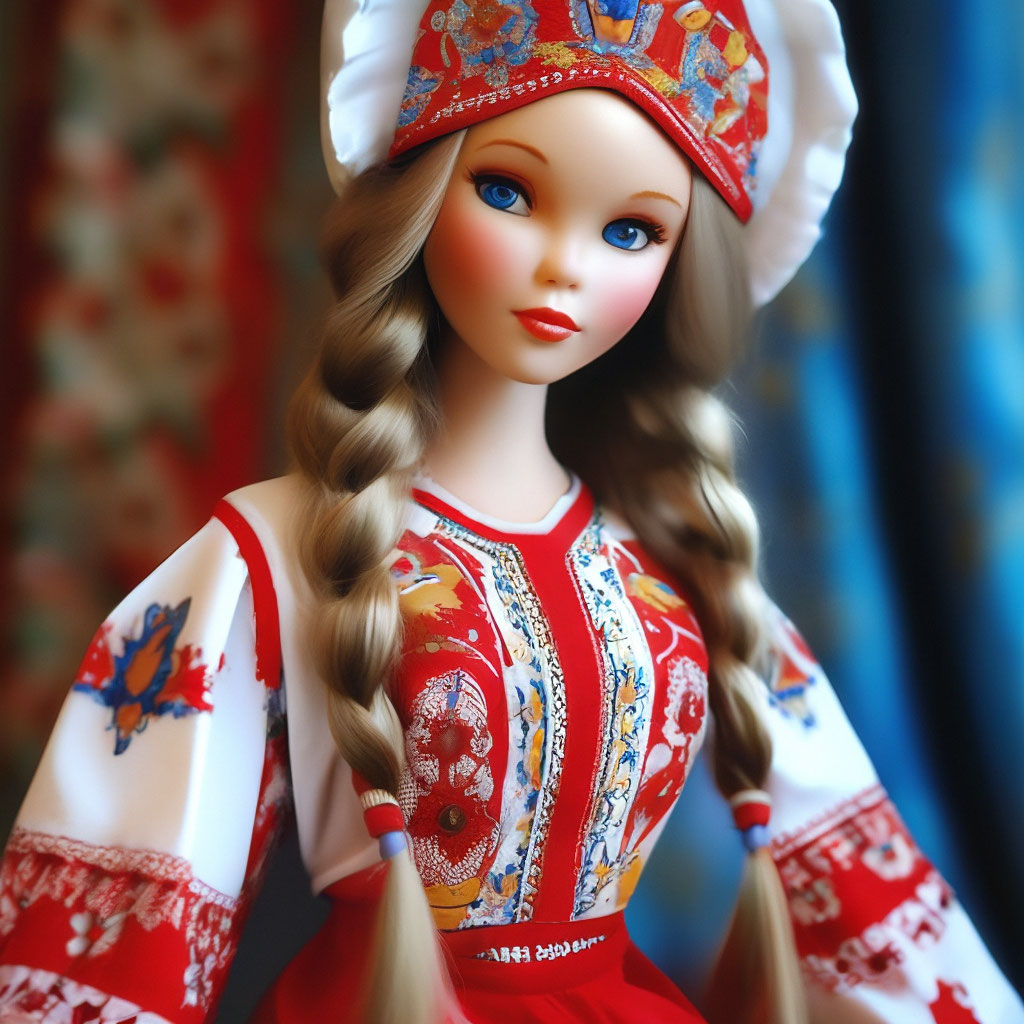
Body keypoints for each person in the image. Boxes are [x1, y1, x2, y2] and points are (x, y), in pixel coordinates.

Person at [0, 0, 1021, 1022]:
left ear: (676, 265)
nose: (563, 266)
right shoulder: (274, 556)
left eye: (631, 230)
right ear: (420, 199)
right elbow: (116, 925)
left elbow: (869, 898)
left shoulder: (679, 567)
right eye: (506, 191)